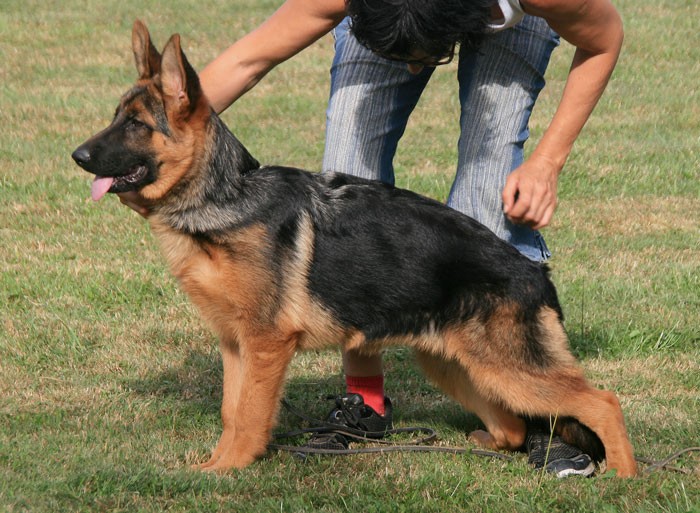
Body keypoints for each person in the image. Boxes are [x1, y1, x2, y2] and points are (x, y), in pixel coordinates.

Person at [120, 0, 623, 477]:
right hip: (390, 17)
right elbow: (249, 60)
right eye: (399, 59)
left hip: (509, 26)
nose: (410, 73)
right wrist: (176, 127)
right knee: (347, 174)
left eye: (420, 60)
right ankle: (375, 400)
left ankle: (546, 420)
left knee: (486, 200)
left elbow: (604, 40)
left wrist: (546, 161)